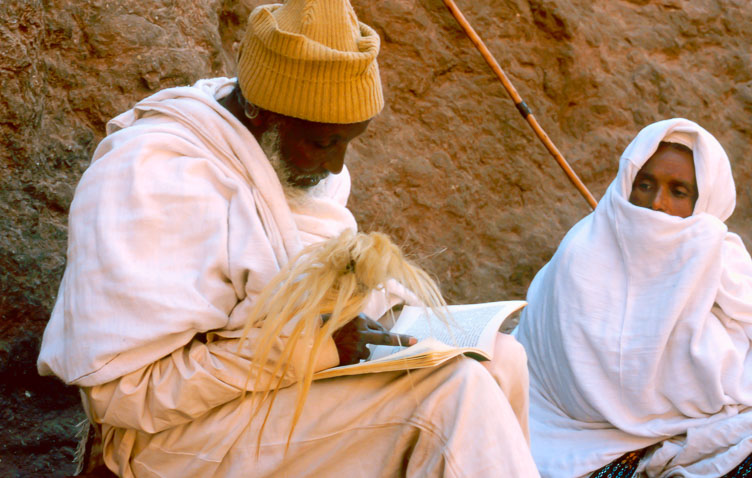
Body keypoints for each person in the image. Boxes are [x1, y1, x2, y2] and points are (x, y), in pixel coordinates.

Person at [37, 1, 539, 476]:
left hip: (275, 390)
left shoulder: (289, 164)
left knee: (500, 358)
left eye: (349, 141)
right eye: (324, 143)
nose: (337, 166)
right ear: (261, 113)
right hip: (172, 440)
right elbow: (124, 395)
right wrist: (310, 349)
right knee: (451, 396)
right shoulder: (153, 177)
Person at [514, 118, 752, 477]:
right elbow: (602, 388)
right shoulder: (581, 256)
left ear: (705, 202)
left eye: (679, 191)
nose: (657, 204)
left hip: (682, 433)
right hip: (582, 443)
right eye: (645, 185)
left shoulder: (720, 259)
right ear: (626, 185)